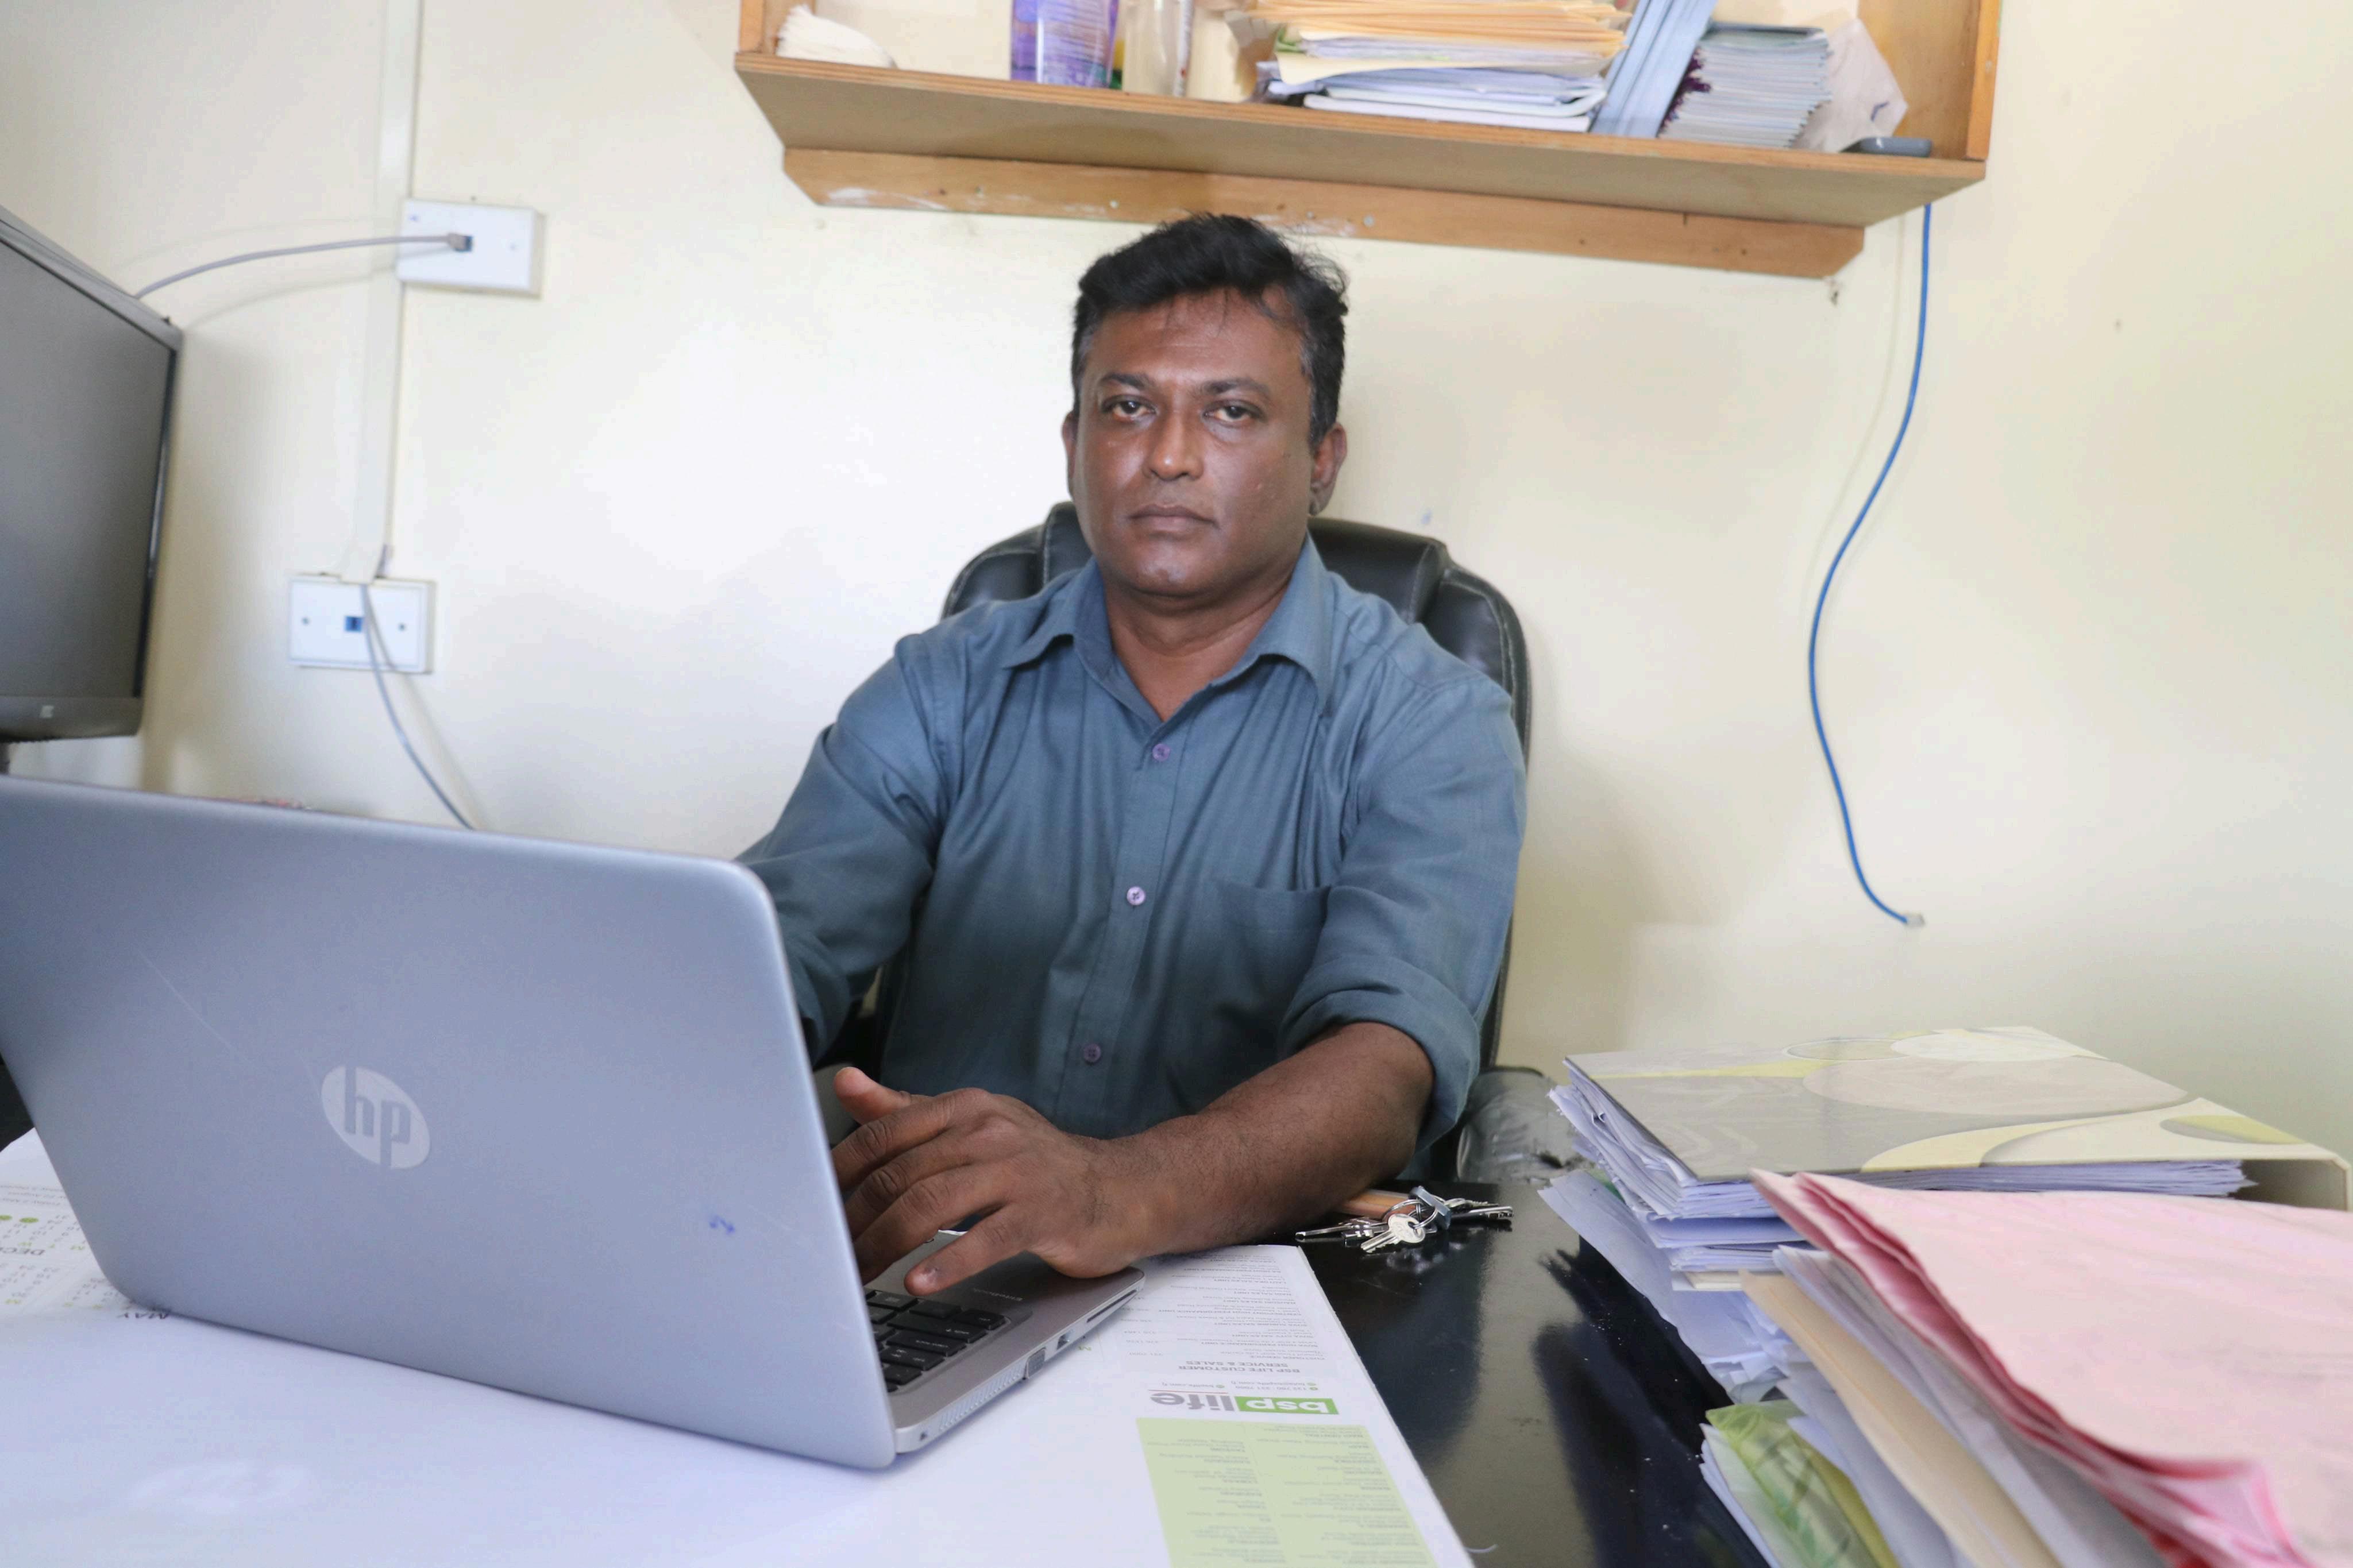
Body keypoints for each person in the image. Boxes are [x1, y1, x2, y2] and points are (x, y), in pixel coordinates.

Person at [740, 215, 1524, 1296]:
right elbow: (773, 952)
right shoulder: (942, 683)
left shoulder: (1433, 718)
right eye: (1128, 407)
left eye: (1232, 411)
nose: (1168, 455)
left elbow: (1386, 1065)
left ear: (1322, 461)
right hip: (933, 1264)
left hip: (1256, 1289)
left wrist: (1109, 1189)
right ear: (1074, 443)